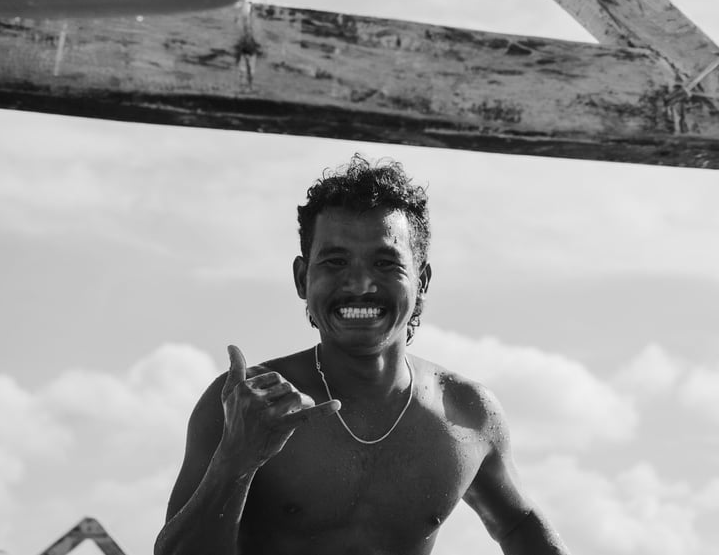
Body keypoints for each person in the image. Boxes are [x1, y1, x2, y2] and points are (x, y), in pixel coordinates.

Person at [154, 154, 570, 555]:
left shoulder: (468, 412)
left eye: (385, 263)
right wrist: (236, 459)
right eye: (335, 262)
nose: (359, 284)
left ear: (422, 281)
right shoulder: (245, 406)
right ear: (302, 278)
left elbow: (519, 523)